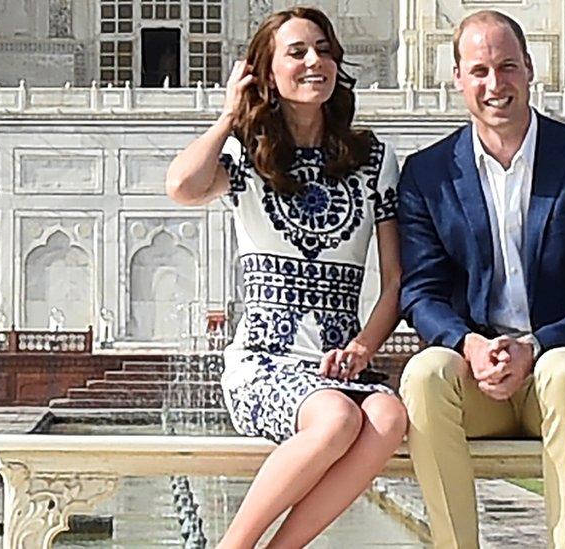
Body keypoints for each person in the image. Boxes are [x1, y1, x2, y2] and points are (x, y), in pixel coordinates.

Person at [397, 10, 565, 549]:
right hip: (478, 376)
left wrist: (535, 345)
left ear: (530, 69)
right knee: (424, 375)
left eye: (507, 67)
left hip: (563, 373)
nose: (494, 84)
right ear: (457, 78)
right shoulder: (429, 175)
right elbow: (421, 291)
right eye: (479, 70)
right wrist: (469, 344)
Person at [165, 7, 406, 548]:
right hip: (266, 363)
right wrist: (230, 114)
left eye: (322, 49)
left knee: (389, 417)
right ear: (266, 72)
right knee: (336, 419)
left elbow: (395, 283)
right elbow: (181, 185)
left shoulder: (372, 159)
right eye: (296, 52)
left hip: (340, 363)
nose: (313, 61)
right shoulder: (250, 154)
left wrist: (365, 347)